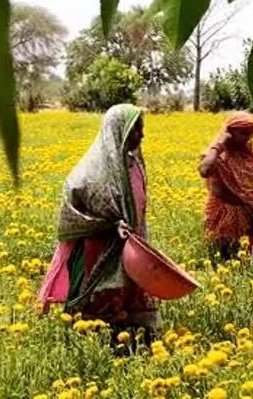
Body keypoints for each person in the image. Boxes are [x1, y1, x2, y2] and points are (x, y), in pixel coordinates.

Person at [37, 104, 159, 347]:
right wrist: (110, 224)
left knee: (129, 290)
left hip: (131, 244)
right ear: (118, 130)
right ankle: (94, 339)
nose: (141, 136)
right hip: (99, 246)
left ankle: (129, 335)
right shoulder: (93, 170)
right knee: (101, 296)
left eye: (141, 129)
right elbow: (74, 204)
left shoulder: (135, 165)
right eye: (136, 130)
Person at [198, 112, 253, 264]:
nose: (249, 138)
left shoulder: (248, 154)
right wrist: (219, 142)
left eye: (251, 134)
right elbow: (204, 171)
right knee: (225, 254)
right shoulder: (217, 154)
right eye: (244, 133)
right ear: (230, 132)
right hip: (225, 213)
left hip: (251, 208)